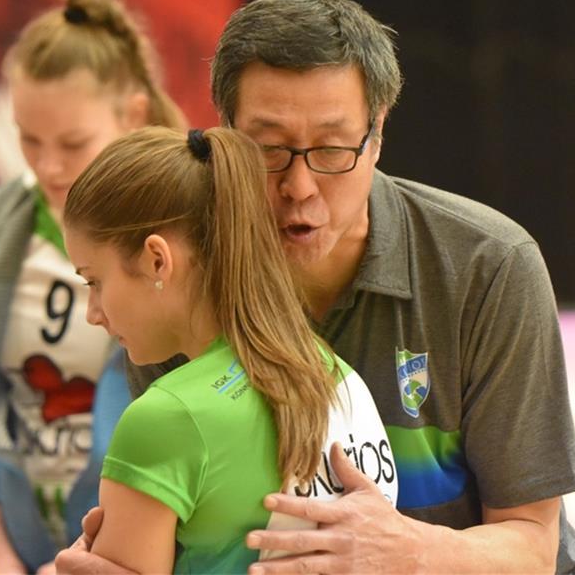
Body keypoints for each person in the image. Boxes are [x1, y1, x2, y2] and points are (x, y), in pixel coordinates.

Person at [57, 0, 575, 574]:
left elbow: (532, 546)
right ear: (226, 135)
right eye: (269, 150)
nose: (301, 187)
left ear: (378, 133)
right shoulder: (178, 284)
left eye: (333, 149)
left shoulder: (489, 265)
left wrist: (402, 551)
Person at [62, 125, 398, 573]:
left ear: (157, 260)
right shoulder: (333, 372)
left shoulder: (164, 420)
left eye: (94, 281)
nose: (93, 312)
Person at [0, 0, 186, 574]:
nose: (48, 165)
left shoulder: (188, 224)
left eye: (72, 143)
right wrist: (3, 560)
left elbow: (207, 422)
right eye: (26, 138)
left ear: (133, 116)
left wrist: (99, 557)